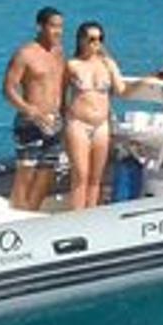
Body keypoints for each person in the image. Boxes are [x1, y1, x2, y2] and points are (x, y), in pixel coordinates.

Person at [60, 20, 146, 211]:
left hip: (101, 124)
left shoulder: (108, 64)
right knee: (80, 175)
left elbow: (122, 91)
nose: (95, 44)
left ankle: (90, 214)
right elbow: (61, 94)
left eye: (99, 39)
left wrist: (144, 82)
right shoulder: (72, 65)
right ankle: (76, 215)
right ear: (81, 40)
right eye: (91, 39)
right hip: (78, 123)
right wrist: (61, 122)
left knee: (96, 177)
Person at [2, 6, 67, 210]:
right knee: (25, 172)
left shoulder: (58, 52)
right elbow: (8, 89)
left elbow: (61, 83)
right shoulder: (25, 54)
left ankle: (32, 212)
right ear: (40, 26)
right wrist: (28, 109)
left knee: (46, 170)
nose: (58, 31)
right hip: (30, 121)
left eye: (61, 27)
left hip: (55, 121)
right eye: (53, 26)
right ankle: (17, 213)